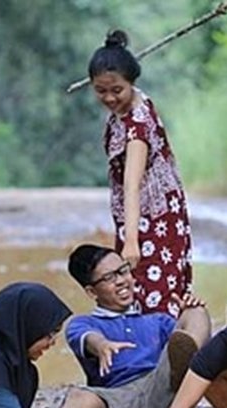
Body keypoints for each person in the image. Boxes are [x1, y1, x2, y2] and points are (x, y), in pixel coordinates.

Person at [52, 244, 211, 408]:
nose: (120, 281)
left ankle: (184, 396)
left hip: (163, 398)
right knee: (78, 397)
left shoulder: (158, 321)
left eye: (123, 271)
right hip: (118, 404)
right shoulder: (83, 324)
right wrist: (102, 345)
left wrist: (189, 313)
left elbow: (182, 344)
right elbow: (86, 338)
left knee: (195, 312)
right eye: (109, 278)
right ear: (92, 292)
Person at [89, 29, 193, 317]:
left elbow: (131, 186)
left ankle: (168, 351)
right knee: (139, 287)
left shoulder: (138, 125)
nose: (109, 97)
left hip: (155, 217)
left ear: (131, 84)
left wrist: (132, 240)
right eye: (100, 90)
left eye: (116, 90)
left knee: (155, 286)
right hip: (139, 217)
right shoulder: (131, 104)